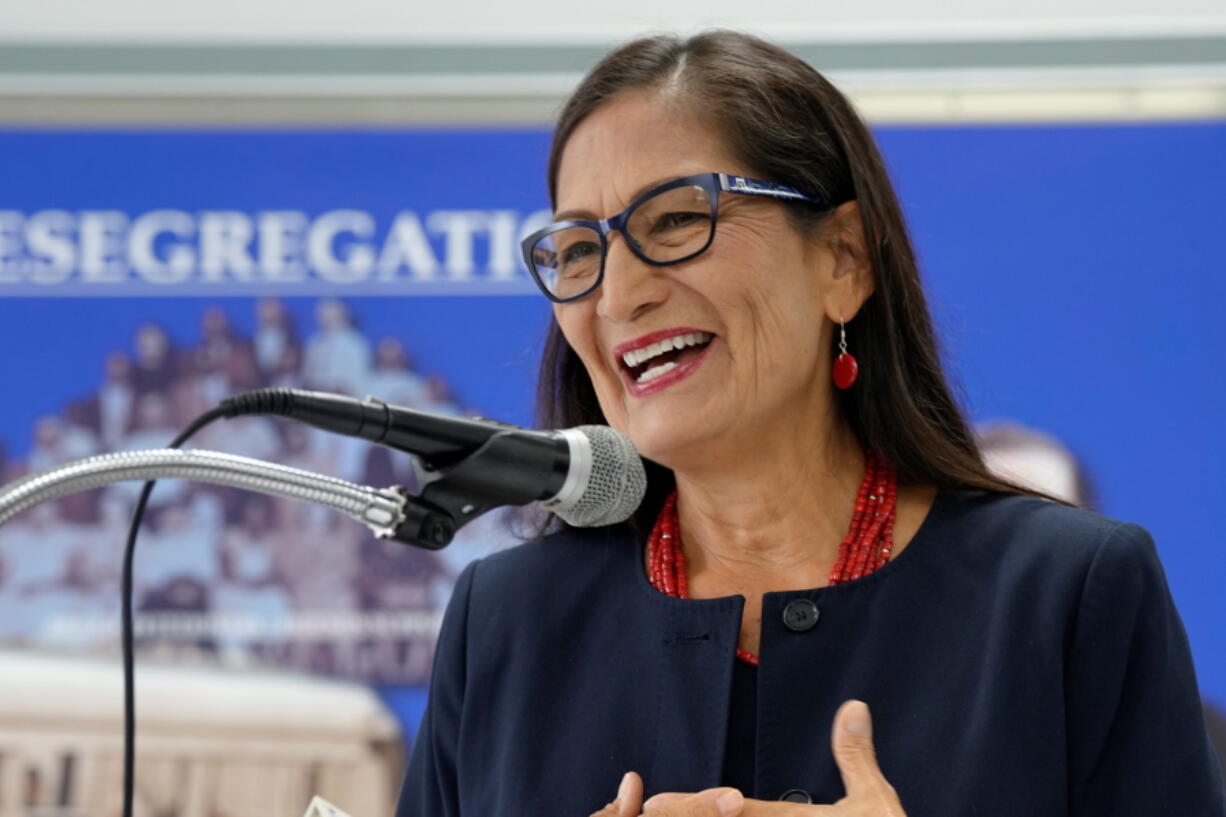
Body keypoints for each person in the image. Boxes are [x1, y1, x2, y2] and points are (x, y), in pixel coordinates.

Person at [395, 31, 1226, 817]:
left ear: (844, 259)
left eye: (678, 219)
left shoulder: (1068, 594)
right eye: (579, 250)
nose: (618, 295)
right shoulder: (505, 621)